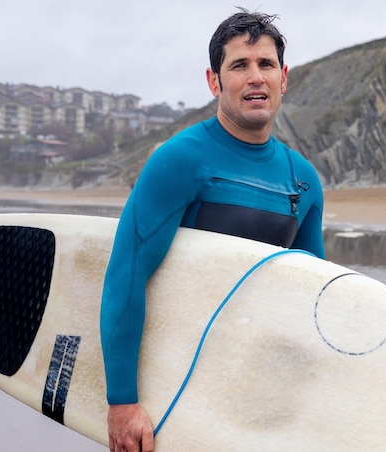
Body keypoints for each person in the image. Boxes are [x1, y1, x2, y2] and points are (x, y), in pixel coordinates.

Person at [100, 7, 325, 451]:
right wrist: (122, 403)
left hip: (250, 392)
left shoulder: (303, 180)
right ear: (214, 81)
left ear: (284, 77)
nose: (255, 77)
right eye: (239, 65)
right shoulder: (180, 159)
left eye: (265, 65)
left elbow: (310, 299)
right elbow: (126, 275)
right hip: (174, 387)